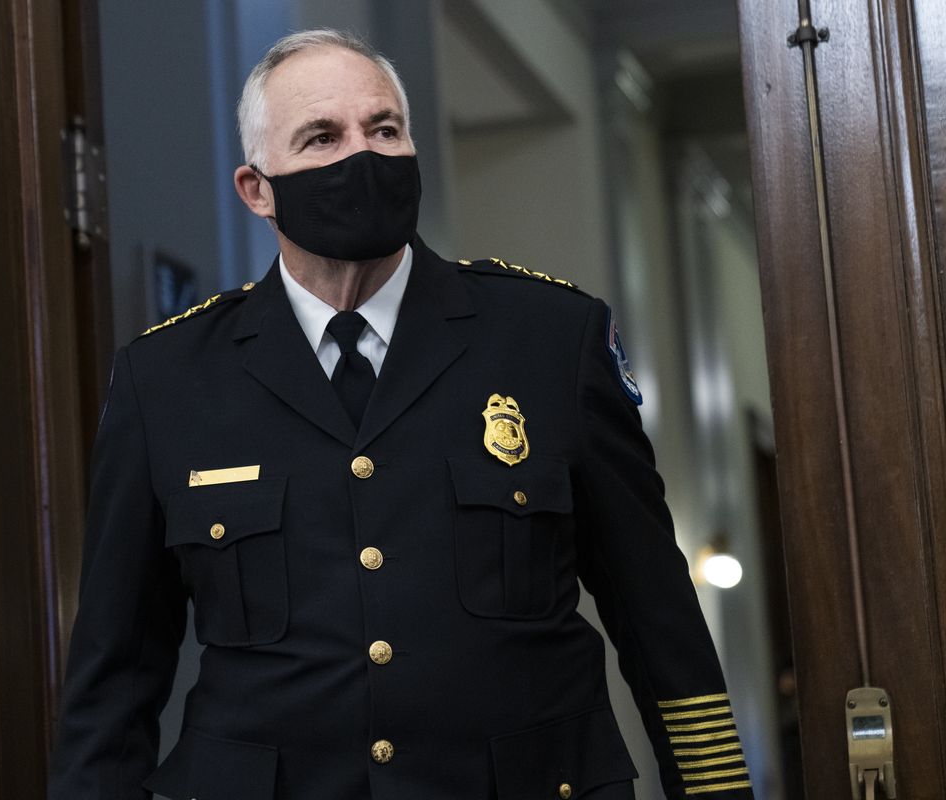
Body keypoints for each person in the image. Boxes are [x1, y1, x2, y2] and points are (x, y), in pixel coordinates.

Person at [48, 29, 754, 800]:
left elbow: (659, 619)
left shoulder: (550, 339)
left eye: (384, 129)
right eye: (322, 137)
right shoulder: (168, 379)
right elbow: (114, 679)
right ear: (257, 189)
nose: (364, 156)